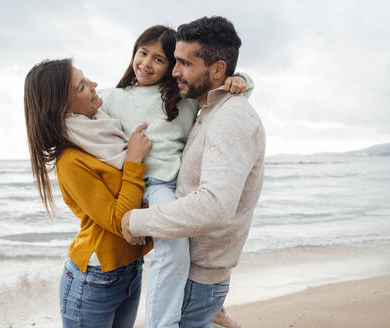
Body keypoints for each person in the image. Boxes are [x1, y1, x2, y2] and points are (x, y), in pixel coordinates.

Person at [96, 25, 253, 328]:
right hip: (148, 183)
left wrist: (241, 79)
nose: (146, 63)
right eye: (142, 53)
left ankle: (186, 315)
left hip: (173, 185)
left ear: (171, 68)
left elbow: (225, 87)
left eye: (159, 59)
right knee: (175, 248)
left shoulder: (182, 97)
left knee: (181, 249)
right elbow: (80, 110)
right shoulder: (113, 97)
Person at [24, 59, 154, 328]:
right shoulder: (71, 161)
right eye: (82, 86)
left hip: (131, 268)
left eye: (87, 79)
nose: (94, 85)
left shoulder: (107, 128)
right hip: (94, 280)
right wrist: (133, 163)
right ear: (64, 109)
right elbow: (122, 221)